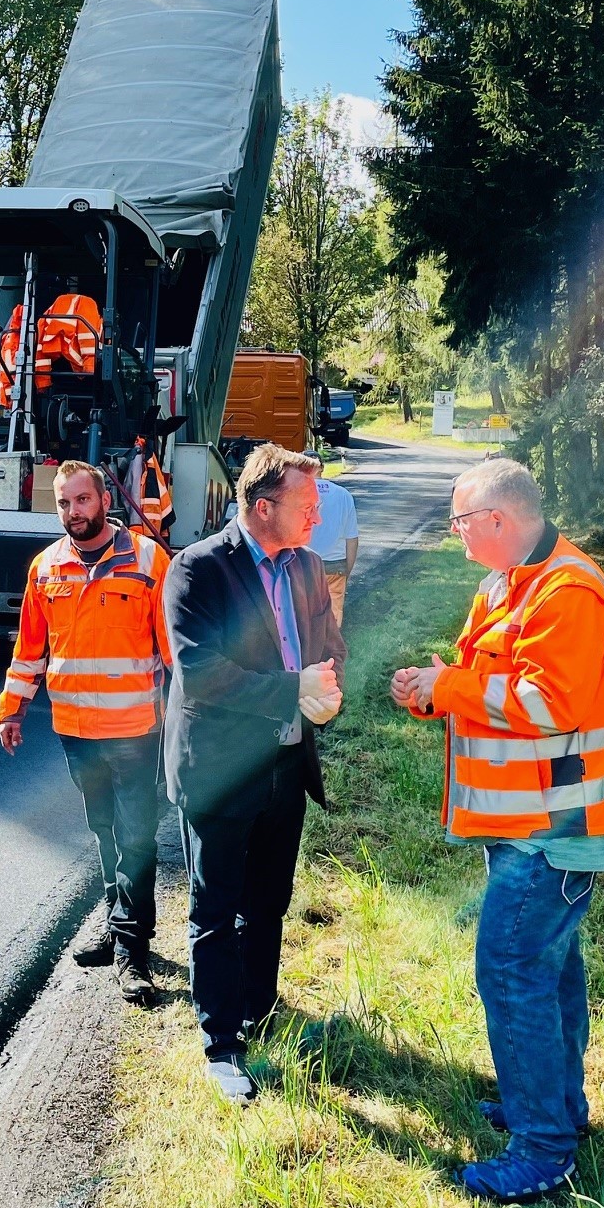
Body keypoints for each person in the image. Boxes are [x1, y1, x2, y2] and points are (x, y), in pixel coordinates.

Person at [391, 457, 604, 1203]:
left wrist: (449, 685)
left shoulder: (567, 591)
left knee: (512, 971)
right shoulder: (506, 583)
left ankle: (543, 1148)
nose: (456, 534)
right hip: (522, 822)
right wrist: (431, 690)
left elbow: (549, 704)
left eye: (459, 522)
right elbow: (484, 680)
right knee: (549, 971)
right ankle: (556, 1108)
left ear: (498, 520)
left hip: (554, 829)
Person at [161, 443, 347, 1104]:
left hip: (285, 763)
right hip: (220, 768)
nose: (318, 516)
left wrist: (331, 687)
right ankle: (222, 1045)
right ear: (264, 508)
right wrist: (294, 690)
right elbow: (201, 673)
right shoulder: (197, 569)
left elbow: (329, 645)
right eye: (308, 505)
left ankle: (258, 1013)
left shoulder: (307, 565)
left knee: (268, 902)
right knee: (216, 908)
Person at [0, 461, 172, 1005]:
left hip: (135, 730)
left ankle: (132, 951)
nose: (73, 512)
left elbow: (174, 650)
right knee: (103, 831)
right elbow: (30, 648)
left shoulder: (148, 560)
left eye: (82, 500)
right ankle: (116, 923)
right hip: (74, 730)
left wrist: (194, 717)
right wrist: (12, 709)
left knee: (136, 836)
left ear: (103, 501)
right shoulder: (46, 568)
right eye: (64, 503)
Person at [302, 453, 359, 624]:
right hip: (335, 566)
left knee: (304, 617)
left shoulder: (296, 495)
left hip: (303, 565)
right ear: (322, 468)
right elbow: (352, 539)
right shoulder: (343, 495)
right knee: (332, 621)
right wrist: (346, 571)